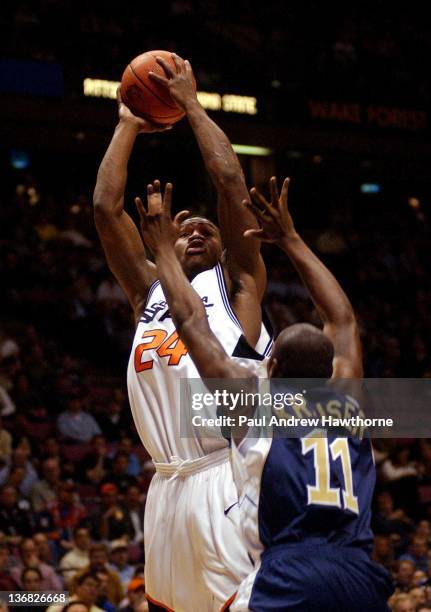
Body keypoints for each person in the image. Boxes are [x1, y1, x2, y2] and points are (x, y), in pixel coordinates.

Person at [135, 176, 394, 611]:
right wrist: (291, 238)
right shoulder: (351, 401)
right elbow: (343, 319)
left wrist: (163, 250)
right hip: (356, 571)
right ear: (330, 369)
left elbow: (191, 323)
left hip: (289, 570)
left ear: (269, 366)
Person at [93, 52, 271, 610]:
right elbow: (105, 207)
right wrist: (127, 125)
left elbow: (228, 179)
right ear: (162, 237)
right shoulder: (151, 293)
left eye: (207, 228)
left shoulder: (236, 282)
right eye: (184, 225)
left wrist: (191, 104)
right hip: (165, 485)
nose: (195, 229)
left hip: (225, 476)